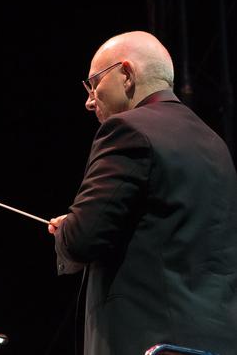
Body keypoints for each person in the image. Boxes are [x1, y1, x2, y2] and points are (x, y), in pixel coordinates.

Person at [47, 31, 237, 355]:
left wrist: (67, 227)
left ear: (126, 74)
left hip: (151, 344)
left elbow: (83, 238)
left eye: (94, 84)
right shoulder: (217, 145)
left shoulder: (127, 130)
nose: (89, 100)